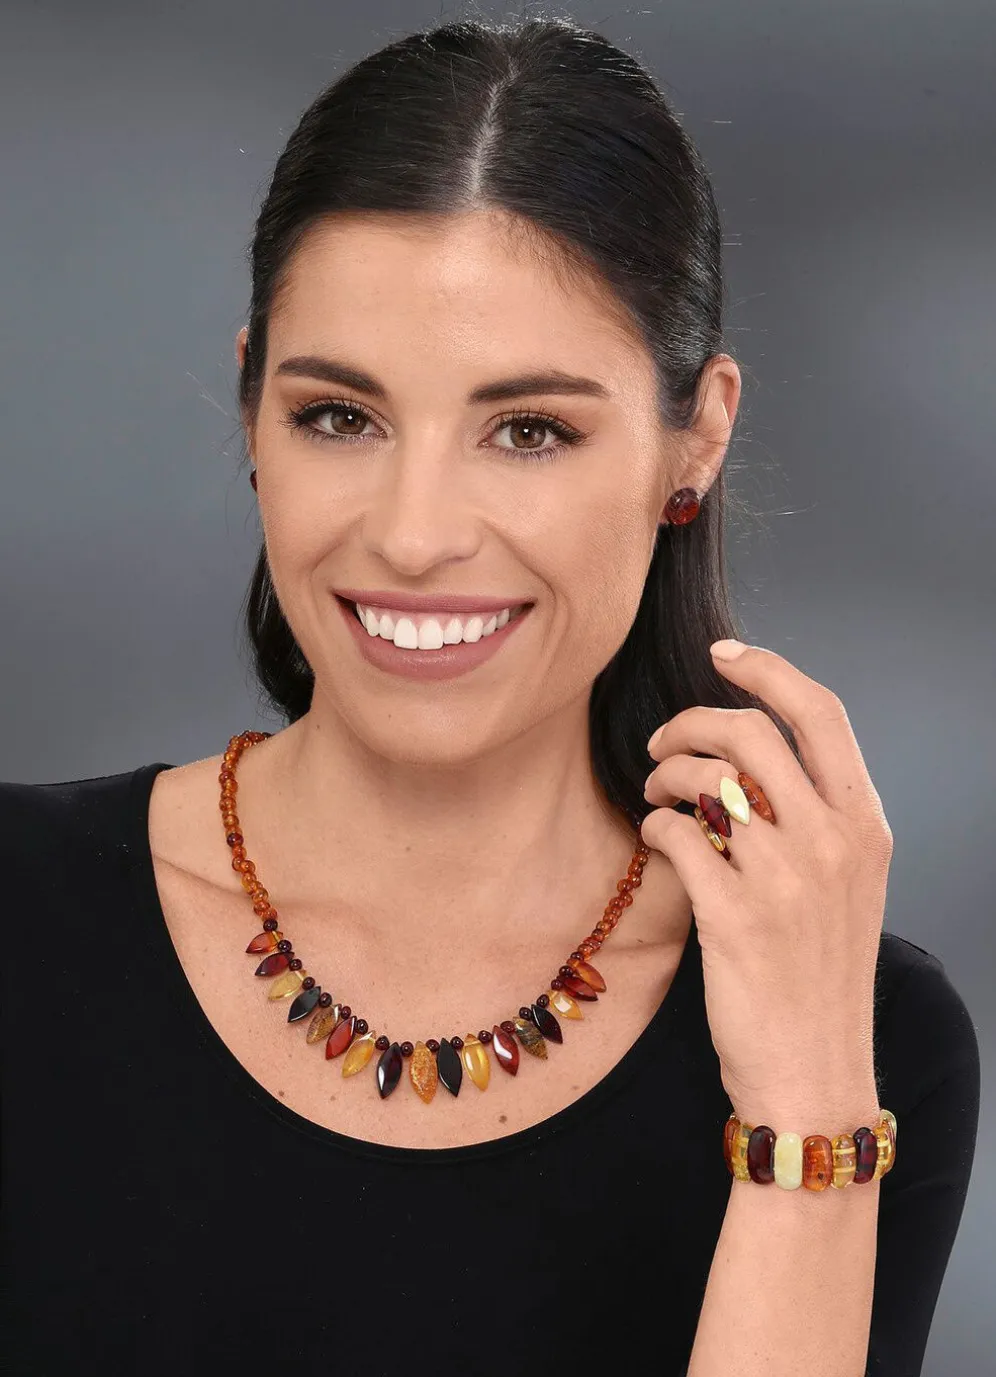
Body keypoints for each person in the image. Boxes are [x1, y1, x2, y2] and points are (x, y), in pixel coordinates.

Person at [1, 16, 979, 1377]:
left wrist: (808, 1109)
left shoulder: (859, 1037)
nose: (414, 536)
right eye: (340, 416)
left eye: (529, 431)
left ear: (695, 438)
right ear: (252, 412)